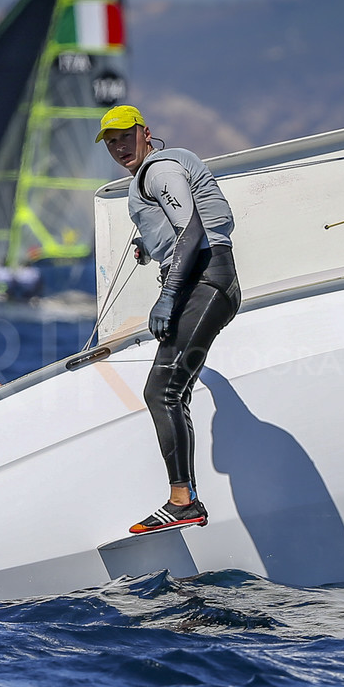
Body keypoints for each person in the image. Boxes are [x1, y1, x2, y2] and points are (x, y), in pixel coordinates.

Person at [96, 105, 240, 535]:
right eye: (111, 141)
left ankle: (183, 502)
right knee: (173, 392)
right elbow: (180, 226)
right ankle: (186, 499)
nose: (120, 147)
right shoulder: (159, 170)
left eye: (125, 136)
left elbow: (192, 231)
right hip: (208, 282)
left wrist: (168, 295)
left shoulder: (158, 171)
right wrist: (150, 241)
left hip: (206, 283)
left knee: (162, 391)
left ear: (146, 132)